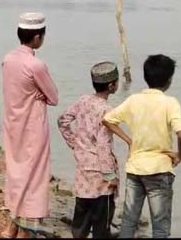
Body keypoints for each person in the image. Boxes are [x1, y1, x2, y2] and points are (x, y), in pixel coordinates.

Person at [103, 54, 181, 238]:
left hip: (135, 168)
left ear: (146, 76)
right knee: (160, 226)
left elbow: (108, 119)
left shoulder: (134, 100)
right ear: (169, 80)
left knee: (129, 222)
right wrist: (180, 155)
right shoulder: (170, 103)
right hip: (159, 169)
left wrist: (128, 140)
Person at [0, 12, 58, 238]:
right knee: (34, 177)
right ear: (37, 37)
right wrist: (39, 96)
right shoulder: (36, 65)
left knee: (16, 173)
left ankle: (12, 225)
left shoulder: (8, 59)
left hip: (13, 123)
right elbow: (53, 97)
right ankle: (25, 229)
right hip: (33, 126)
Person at [57, 62, 120, 239]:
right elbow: (103, 144)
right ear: (111, 86)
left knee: (81, 220)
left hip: (83, 168)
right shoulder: (108, 111)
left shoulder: (83, 100)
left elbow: (63, 121)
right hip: (101, 174)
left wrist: (75, 143)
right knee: (102, 222)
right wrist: (110, 175)